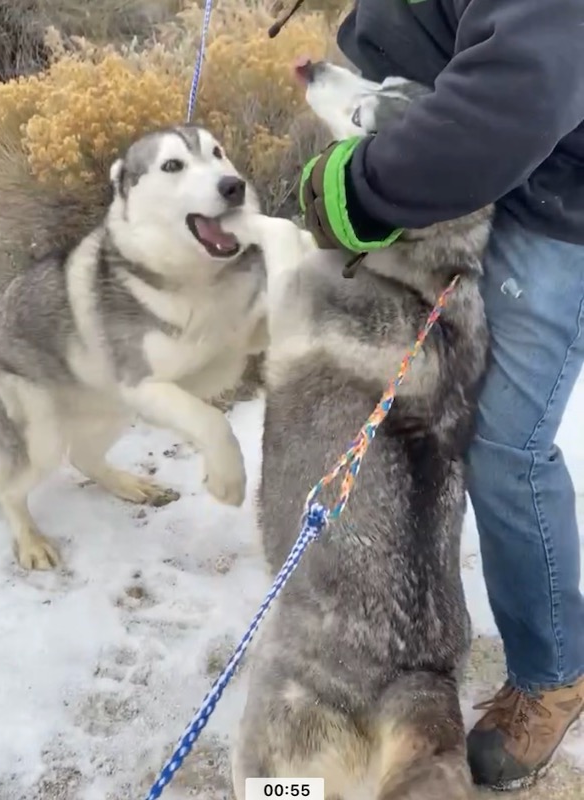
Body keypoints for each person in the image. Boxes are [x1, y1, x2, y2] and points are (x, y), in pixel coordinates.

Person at [292, 0, 584, 792]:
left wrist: (366, 188)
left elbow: (531, 80)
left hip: (557, 201)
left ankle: (554, 672)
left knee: (503, 447)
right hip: (484, 160)